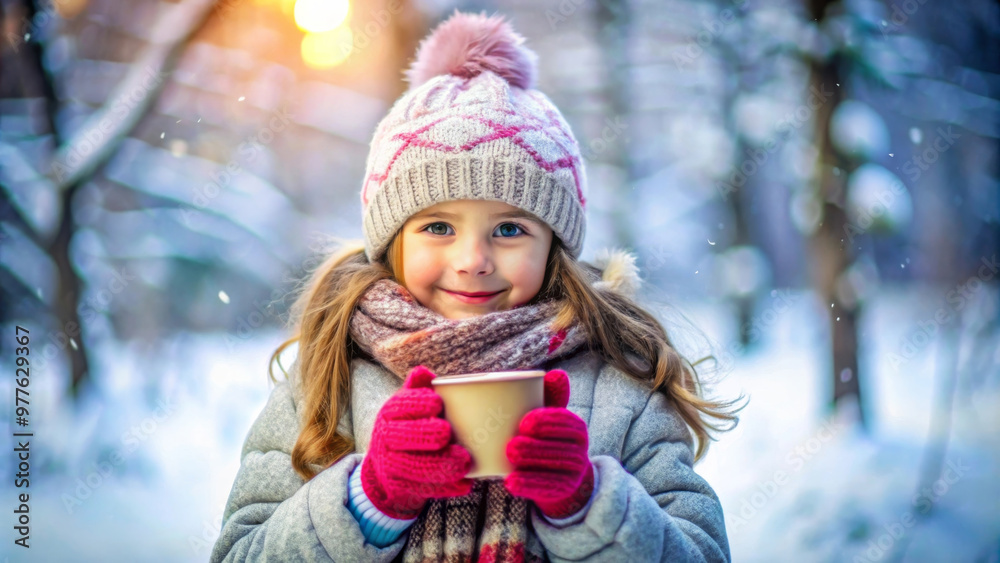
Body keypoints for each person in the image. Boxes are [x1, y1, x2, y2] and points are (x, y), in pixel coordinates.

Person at [210, 10, 742, 563]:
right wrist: (369, 500)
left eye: (509, 229)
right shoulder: (330, 376)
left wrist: (587, 504)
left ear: (554, 246)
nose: (472, 260)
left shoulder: (621, 383)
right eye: (437, 227)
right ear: (392, 241)